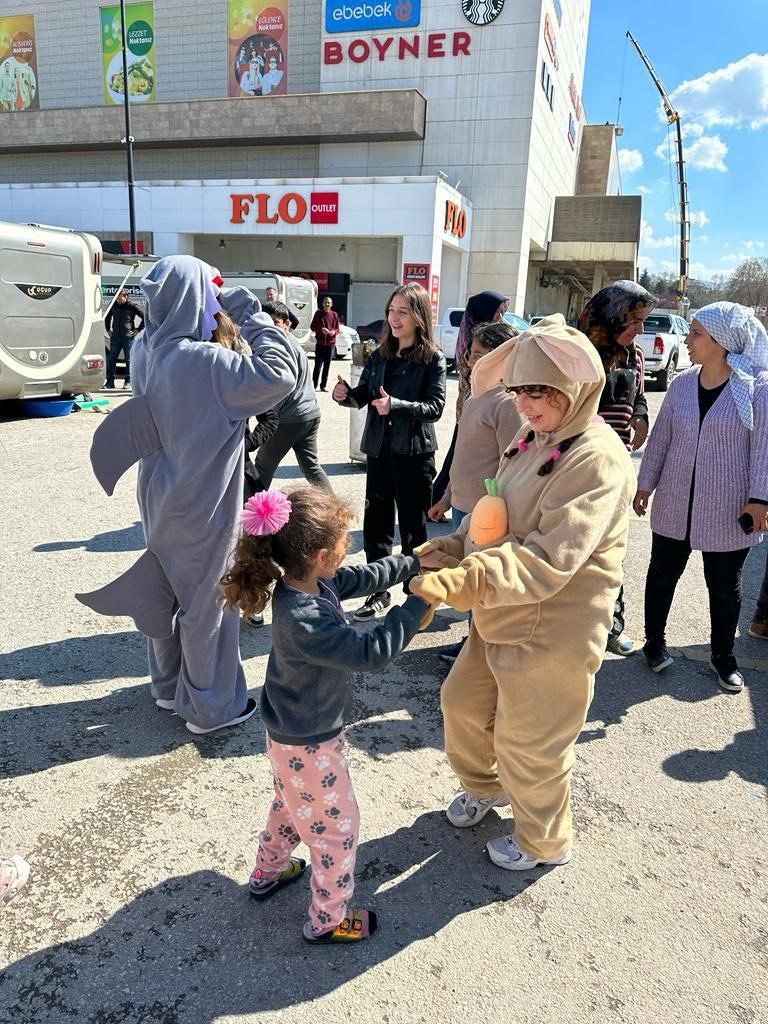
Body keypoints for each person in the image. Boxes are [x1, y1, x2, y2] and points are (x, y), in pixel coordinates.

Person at [410, 315, 635, 870]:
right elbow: (497, 510)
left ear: (576, 388)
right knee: (461, 704)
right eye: (519, 391)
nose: (526, 406)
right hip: (501, 611)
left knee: (532, 742)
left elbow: (547, 557)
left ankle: (544, 841)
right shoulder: (533, 435)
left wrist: (465, 579)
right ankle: (487, 787)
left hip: (555, 628)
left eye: (540, 393)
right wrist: (458, 545)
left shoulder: (596, 459)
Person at [76, 257, 300, 735]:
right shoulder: (206, 362)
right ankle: (210, 707)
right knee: (208, 602)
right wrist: (245, 306)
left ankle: (166, 685)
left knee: (165, 586)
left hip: (158, 496)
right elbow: (280, 375)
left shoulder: (144, 350)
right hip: (204, 504)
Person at [220, 486, 432, 943]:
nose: (348, 549)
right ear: (319, 555)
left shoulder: (312, 582)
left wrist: (414, 563)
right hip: (308, 742)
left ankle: (267, 873)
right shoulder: (304, 616)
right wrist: (416, 605)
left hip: (289, 736)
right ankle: (327, 920)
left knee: (289, 805)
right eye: (343, 543)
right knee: (337, 829)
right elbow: (370, 651)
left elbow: (365, 576)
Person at [634, 302, 768, 693]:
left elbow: (764, 448)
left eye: (696, 334)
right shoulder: (681, 383)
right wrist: (646, 483)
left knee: (725, 585)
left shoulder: (756, 390)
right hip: (675, 501)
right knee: (661, 575)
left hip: (728, 507)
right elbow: (661, 438)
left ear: (721, 342)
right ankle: (654, 644)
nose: (688, 340)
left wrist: (760, 498)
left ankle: (723, 657)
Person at [333, 283, 446, 621]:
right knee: (377, 524)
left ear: (418, 316)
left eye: (403, 312)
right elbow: (367, 393)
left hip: (414, 455)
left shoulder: (433, 359)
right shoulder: (381, 355)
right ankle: (377, 591)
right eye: (391, 311)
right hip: (380, 451)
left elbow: (436, 407)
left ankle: (416, 593)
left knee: (413, 529)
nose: (394, 319)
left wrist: (395, 406)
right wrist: (347, 395)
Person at [427, 320, 522, 663]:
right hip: (462, 509)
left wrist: (493, 511)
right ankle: (473, 643)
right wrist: (447, 497)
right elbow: (464, 456)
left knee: (482, 583)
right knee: (469, 579)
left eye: (480, 355)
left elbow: (511, 465)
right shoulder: (475, 398)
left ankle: (480, 650)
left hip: (485, 514)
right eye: (471, 352)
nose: (469, 360)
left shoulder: (508, 403)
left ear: (502, 358)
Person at [578, 280, 655, 656]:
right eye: (634, 320)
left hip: (617, 468)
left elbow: (638, 394)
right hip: (576, 467)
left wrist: (640, 415)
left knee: (611, 549)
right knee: (573, 546)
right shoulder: (578, 352)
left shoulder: (635, 355)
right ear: (612, 316)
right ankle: (570, 624)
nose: (640, 330)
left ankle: (611, 622)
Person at [431, 290, 508, 508]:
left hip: (478, 410)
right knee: (459, 457)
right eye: (497, 313)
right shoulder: (477, 345)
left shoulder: (506, 403)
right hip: (469, 408)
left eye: (503, 313)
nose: (500, 318)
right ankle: (439, 498)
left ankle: (438, 498)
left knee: (461, 457)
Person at [250, 299, 332, 492]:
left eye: (275, 322)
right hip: (310, 414)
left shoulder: (279, 346)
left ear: (287, 324)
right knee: (310, 466)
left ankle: (251, 515)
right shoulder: (291, 342)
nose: (270, 327)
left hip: (289, 418)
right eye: (266, 322)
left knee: (263, 465)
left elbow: (278, 385)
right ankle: (335, 512)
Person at [104, 289, 144, 391]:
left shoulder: (132, 306)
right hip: (115, 337)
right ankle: (109, 382)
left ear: (126, 297)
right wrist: (108, 329)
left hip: (128, 337)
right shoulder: (113, 305)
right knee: (112, 360)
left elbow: (145, 316)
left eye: (120, 297)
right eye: (117, 297)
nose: (118, 299)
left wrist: (137, 330)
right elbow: (107, 317)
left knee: (129, 360)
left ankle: (128, 382)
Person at [311, 297, 340, 391]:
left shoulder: (334, 314)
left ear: (331, 304)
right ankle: (313, 385)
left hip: (330, 345)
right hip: (320, 344)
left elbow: (337, 329)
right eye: (325, 302)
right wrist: (321, 329)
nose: (327, 304)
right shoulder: (318, 313)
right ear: (323, 304)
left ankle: (323, 386)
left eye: (329, 303)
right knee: (317, 366)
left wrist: (334, 332)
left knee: (327, 367)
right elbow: (312, 327)